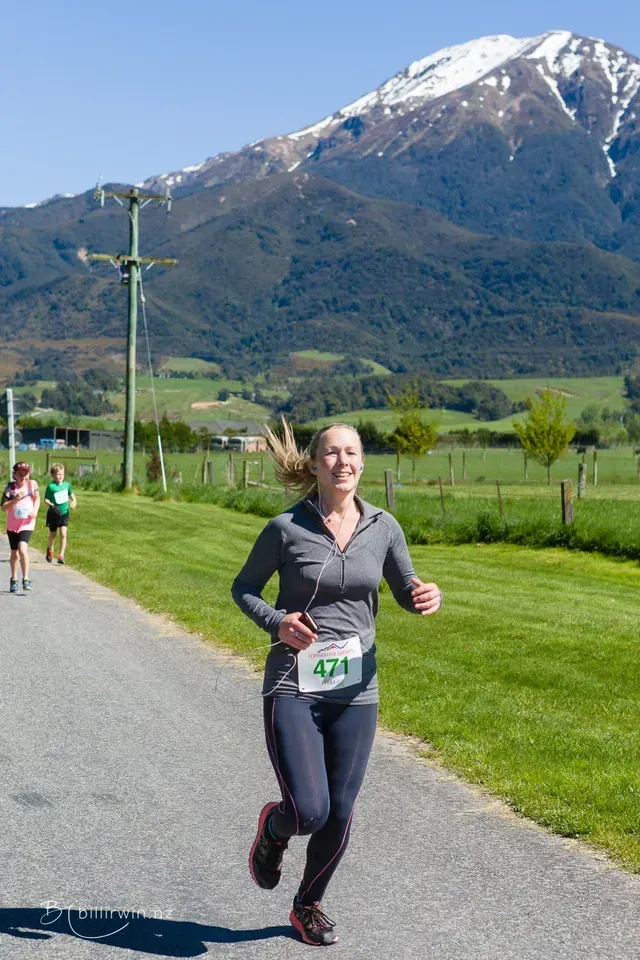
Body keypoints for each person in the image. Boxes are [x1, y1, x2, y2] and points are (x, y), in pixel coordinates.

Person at [232, 420, 442, 946]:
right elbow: (245, 588)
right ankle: (274, 829)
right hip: (293, 683)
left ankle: (308, 904)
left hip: (356, 689)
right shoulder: (286, 528)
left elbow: (402, 585)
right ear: (314, 464)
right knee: (308, 808)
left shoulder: (384, 527)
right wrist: (276, 621)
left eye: (351, 453)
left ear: (363, 463)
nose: (342, 461)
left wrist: (420, 595)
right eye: (331, 453)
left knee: (341, 809)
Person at [1, 461, 40, 593]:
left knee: (22, 550)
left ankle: (26, 578)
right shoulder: (10, 488)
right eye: (20, 474)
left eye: (25, 473)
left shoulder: (32, 484)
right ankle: (14, 578)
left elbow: (37, 498)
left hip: (27, 523)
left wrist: (35, 511)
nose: (23, 476)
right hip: (12, 525)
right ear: (14, 475)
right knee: (14, 553)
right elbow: (3, 508)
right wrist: (16, 500)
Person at [44, 463, 77, 564]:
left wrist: (74, 501)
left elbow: (71, 494)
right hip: (54, 513)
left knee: (63, 533)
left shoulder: (67, 485)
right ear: (53, 475)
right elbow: (46, 499)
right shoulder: (51, 487)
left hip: (64, 513)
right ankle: (50, 549)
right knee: (53, 534)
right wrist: (52, 505)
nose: (60, 476)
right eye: (58, 474)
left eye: (62, 474)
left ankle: (61, 555)